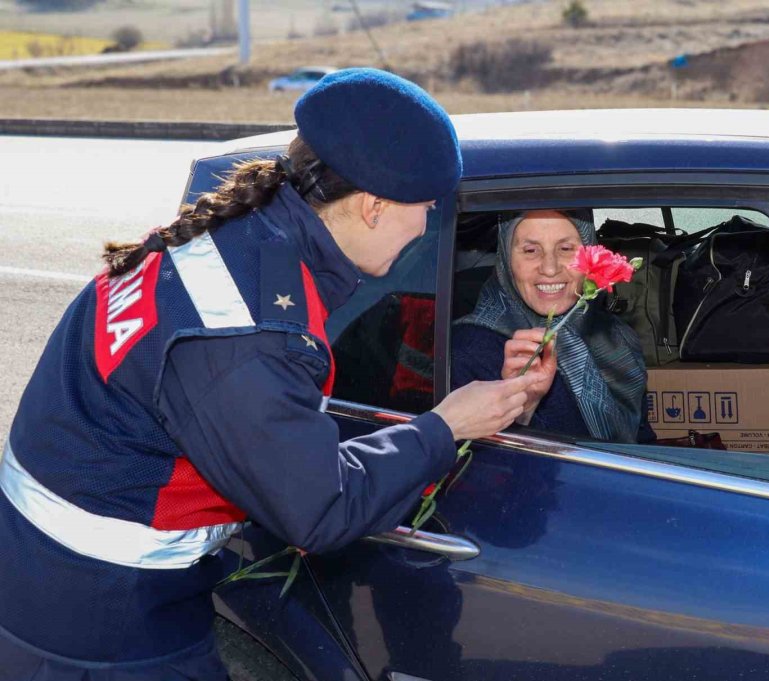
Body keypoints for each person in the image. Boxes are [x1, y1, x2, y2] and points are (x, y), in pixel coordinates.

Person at [0, 69, 538, 680]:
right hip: (98, 625)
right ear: (372, 206)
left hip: (64, 579)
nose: (425, 228)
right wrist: (446, 424)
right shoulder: (243, 335)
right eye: (425, 209)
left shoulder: (238, 241)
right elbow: (320, 509)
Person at [452, 210, 650, 444]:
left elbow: (645, 445)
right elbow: (475, 467)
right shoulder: (468, 351)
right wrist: (523, 409)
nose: (549, 268)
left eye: (565, 249)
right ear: (505, 259)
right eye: (530, 250)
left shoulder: (617, 338)